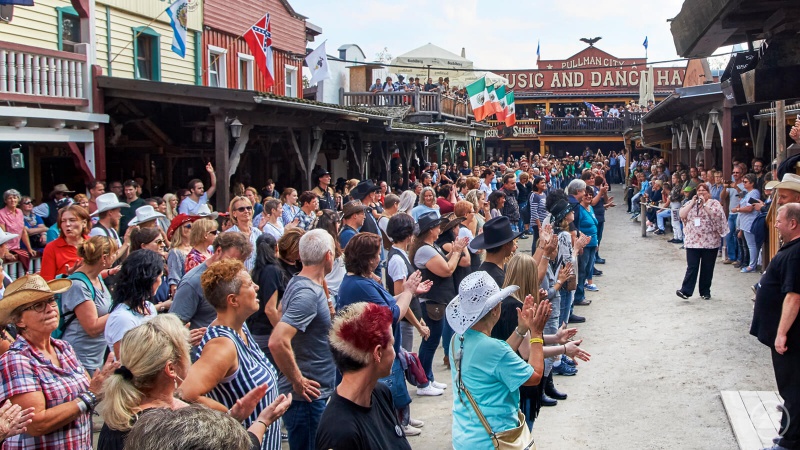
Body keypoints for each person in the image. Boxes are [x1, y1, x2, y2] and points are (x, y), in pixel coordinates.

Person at [0, 274, 117, 449]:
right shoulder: (16, 359)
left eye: (52, 301)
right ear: (19, 320)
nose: (50, 309)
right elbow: (36, 423)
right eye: (39, 305)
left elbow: (90, 388)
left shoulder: (64, 348)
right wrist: (89, 397)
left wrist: (103, 382)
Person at [180, 259, 286, 450]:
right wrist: (229, 414)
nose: (256, 286)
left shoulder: (240, 327)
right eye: (249, 284)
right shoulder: (222, 346)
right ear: (233, 300)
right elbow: (186, 393)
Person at [336, 233, 429, 437]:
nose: (381, 258)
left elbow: (386, 301)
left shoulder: (361, 281)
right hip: (373, 354)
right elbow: (391, 314)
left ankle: (400, 420)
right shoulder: (359, 284)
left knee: (394, 391)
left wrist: (409, 292)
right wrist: (407, 292)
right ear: (369, 259)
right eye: (378, 254)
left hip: (382, 351)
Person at [446, 271, 550, 450]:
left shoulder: (457, 339)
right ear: (495, 310)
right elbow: (535, 376)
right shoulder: (493, 349)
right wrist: (537, 333)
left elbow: (495, 362)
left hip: (464, 438)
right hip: (493, 441)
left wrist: (521, 329)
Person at [269, 229, 336, 450]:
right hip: (306, 398)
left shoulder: (302, 283)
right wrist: (298, 381)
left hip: (312, 394)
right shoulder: (307, 292)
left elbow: (280, 311)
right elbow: (277, 341)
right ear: (328, 256)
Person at [315, 302, 413, 450]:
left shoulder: (381, 393)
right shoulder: (339, 434)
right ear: (378, 353)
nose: (394, 353)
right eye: (392, 345)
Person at [750, 203, 800, 450]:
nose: (776, 224)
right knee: (789, 386)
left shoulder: (797, 253)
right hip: (783, 334)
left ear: (793, 223)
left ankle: (791, 441)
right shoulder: (791, 248)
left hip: (791, 336)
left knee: (793, 387)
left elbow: (794, 296)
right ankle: (787, 431)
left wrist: (781, 334)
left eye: (779, 220)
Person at [410, 212, 468, 396]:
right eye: (437, 226)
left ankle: (428, 377)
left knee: (433, 341)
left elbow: (444, 259)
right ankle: (422, 382)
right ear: (429, 230)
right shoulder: (425, 250)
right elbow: (447, 269)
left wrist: (454, 250)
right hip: (430, 302)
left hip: (436, 300)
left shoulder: (430, 246)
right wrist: (457, 252)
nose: (440, 229)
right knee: (430, 343)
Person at [170, 232, 252, 329]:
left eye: (241, 262)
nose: (236, 266)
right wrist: (188, 337)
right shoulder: (192, 282)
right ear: (218, 251)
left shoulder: (236, 277)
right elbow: (173, 326)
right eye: (231, 260)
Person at [60, 236, 117, 373]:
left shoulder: (96, 276)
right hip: (80, 359)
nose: (116, 256)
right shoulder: (78, 286)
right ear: (104, 258)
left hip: (94, 357)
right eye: (113, 253)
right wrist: (120, 310)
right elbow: (92, 328)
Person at [104, 249, 164, 356]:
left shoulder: (149, 307)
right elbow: (126, 363)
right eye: (159, 276)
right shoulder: (122, 318)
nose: (160, 281)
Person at [675, 184, 728, 300]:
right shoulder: (691, 202)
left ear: (708, 192)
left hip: (710, 241)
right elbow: (682, 214)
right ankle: (685, 291)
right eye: (699, 190)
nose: (701, 192)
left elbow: (717, 215)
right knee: (692, 267)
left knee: (707, 268)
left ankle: (705, 291)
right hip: (693, 241)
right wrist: (692, 203)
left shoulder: (714, 203)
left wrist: (704, 204)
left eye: (704, 190)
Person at [246, 234, 285, 362]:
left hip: (256, 329)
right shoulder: (272, 271)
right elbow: (270, 309)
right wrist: (282, 335)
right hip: (267, 332)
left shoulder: (256, 270)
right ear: (276, 248)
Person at [40, 205, 90, 280]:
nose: (67, 224)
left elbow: (98, 274)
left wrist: (110, 271)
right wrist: (68, 275)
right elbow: (47, 280)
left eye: (72, 220)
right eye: (63, 221)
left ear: (84, 223)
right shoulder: (52, 247)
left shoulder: (92, 243)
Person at [0, 190, 37, 272]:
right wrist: (6, 252)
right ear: (5, 201)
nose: (13, 200)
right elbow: (2, 236)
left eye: (15, 197)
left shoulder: (19, 212)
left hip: (17, 247)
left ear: (18, 199)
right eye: (9, 198)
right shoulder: (1, 213)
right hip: (5, 249)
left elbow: (23, 231)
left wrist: (29, 248)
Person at [733, 173, 761, 273]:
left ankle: (752, 265)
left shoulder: (754, 193)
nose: (743, 183)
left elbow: (750, 208)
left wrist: (737, 209)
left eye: (745, 182)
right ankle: (750, 263)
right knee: (748, 245)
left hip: (750, 221)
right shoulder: (748, 193)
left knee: (751, 245)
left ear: (752, 183)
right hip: (745, 222)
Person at [226, 196, 262, 272]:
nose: (246, 211)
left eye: (248, 208)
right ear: (234, 213)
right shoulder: (228, 235)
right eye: (241, 209)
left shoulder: (258, 233)